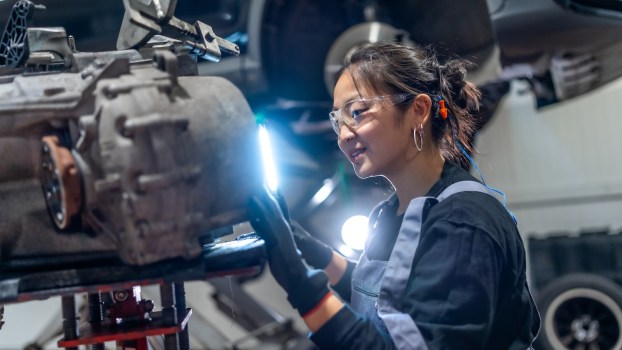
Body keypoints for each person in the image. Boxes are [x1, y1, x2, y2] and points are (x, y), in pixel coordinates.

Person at [248, 41, 540, 349]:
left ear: (419, 110)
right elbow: (376, 297)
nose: (344, 135)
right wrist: (303, 245)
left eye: (358, 112)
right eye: (339, 120)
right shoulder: (390, 212)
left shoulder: (464, 223)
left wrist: (300, 282)